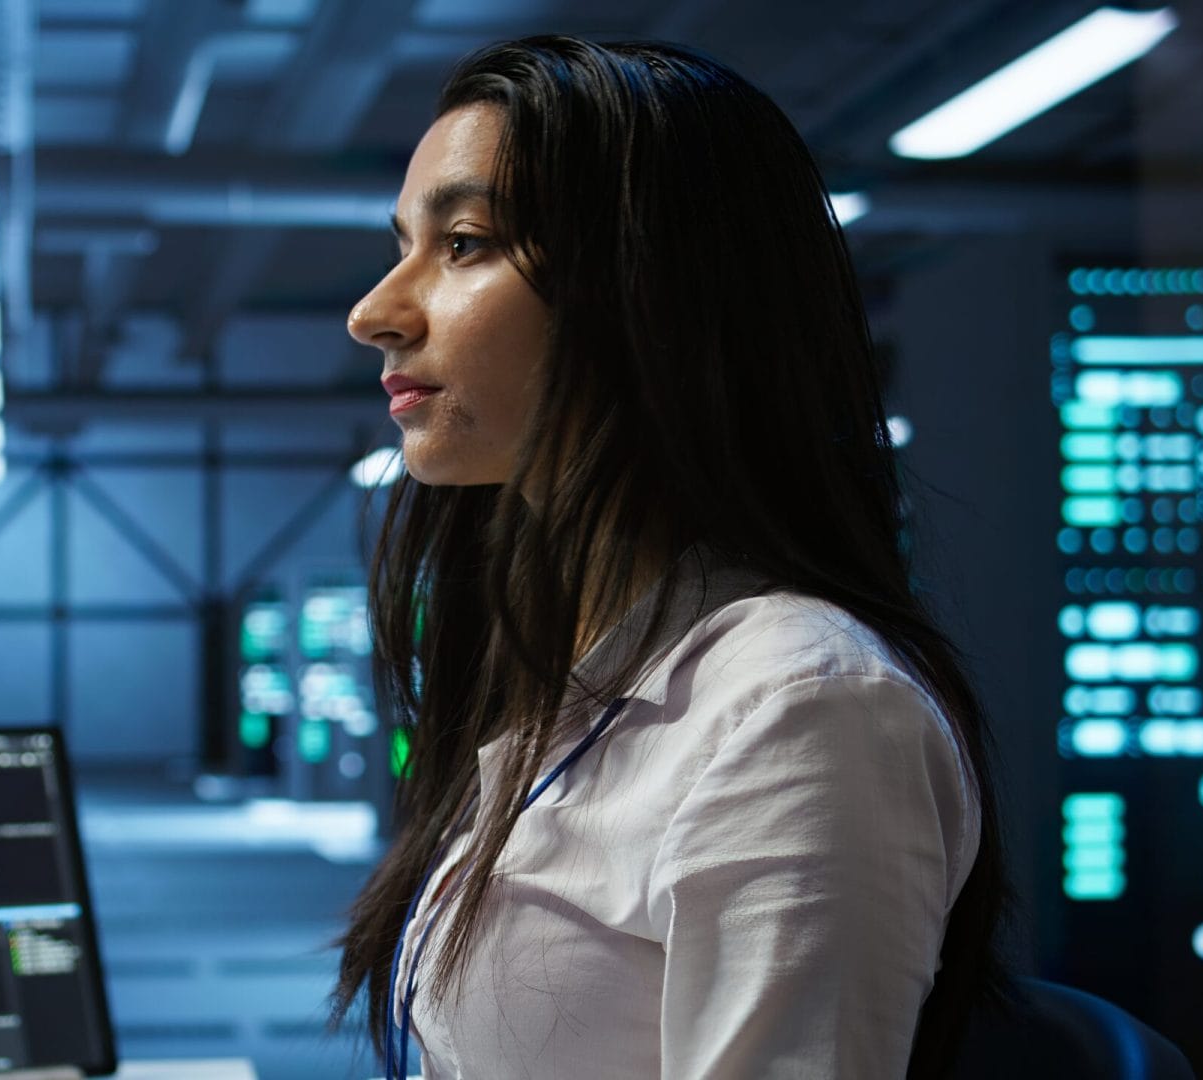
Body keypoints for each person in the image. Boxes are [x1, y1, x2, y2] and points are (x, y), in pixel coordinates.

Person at [330, 35, 1012, 1080]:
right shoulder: (576, 678)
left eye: (462, 243)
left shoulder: (802, 706)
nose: (375, 312)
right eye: (402, 244)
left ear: (647, 290)